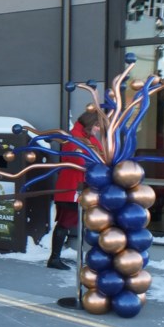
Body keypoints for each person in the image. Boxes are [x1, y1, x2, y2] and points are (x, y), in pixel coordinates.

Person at [48, 110, 104, 270]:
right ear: (90, 124)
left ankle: (57, 258)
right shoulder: (74, 139)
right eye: (97, 126)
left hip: (80, 188)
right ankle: (55, 258)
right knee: (67, 222)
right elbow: (79, 161)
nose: (98, 129)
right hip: (72, 188)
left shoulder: (87, 138)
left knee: (70, 222)